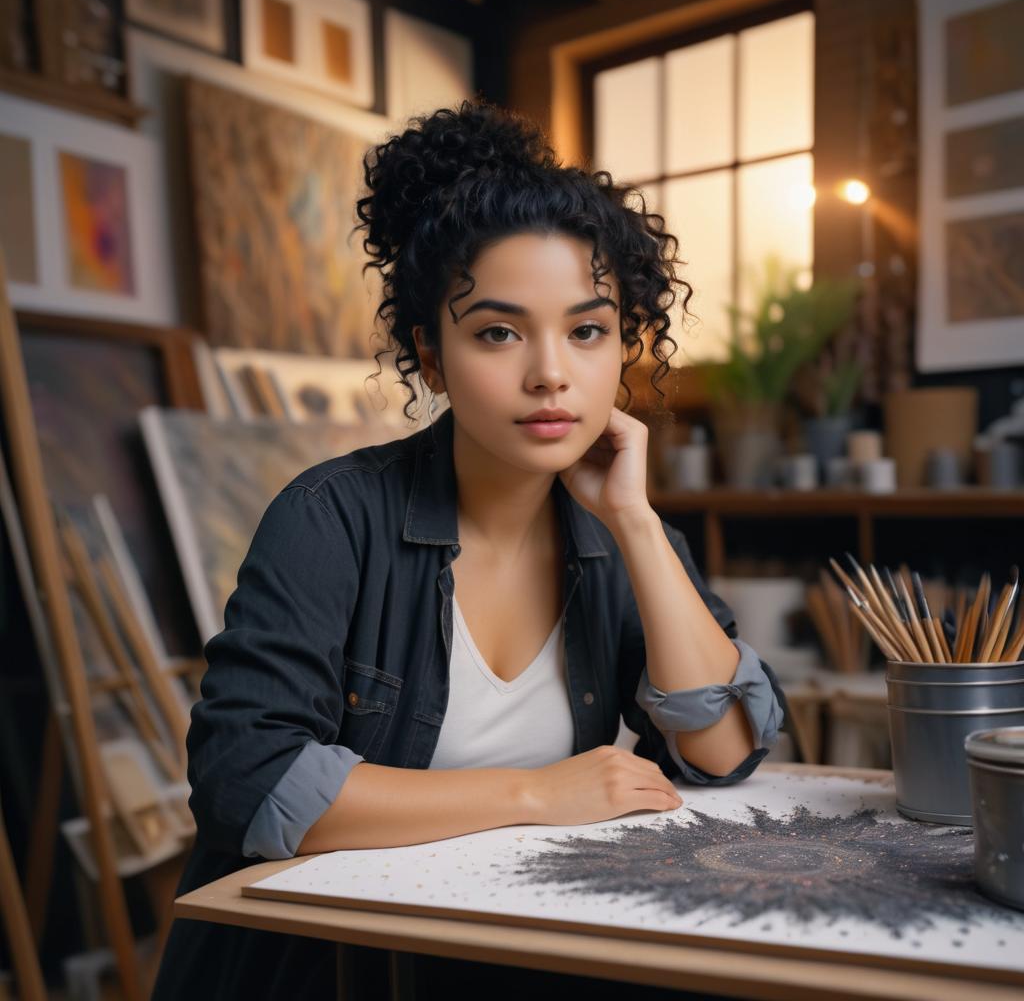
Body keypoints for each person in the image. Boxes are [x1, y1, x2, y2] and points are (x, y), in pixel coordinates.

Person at [153, 98, 787, 1001]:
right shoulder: (332, 517)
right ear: (433, 356)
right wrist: (535, 794)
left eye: (587, 330)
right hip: (326, 969)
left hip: (506, 949)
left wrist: (639, 528)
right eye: (498, 331)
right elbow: (247, 781)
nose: (550, 372)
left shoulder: (617, 531)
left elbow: (722, 752)